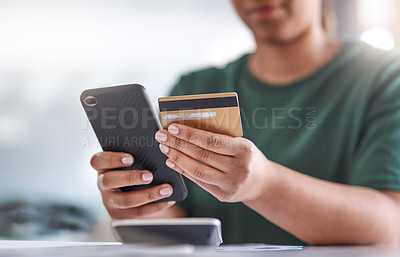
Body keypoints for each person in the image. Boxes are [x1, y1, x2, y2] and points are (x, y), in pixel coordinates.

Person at [89, 0, 400, 246]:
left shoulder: (385, 79)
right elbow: (177, 219)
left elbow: (390, 224)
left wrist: (265, 186)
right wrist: (136, 212)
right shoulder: (196, 88)